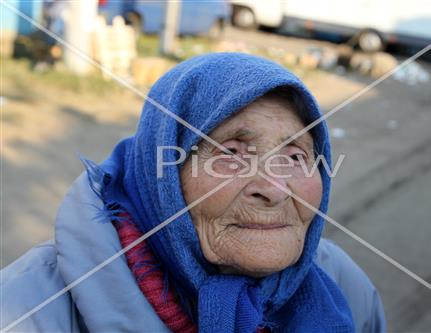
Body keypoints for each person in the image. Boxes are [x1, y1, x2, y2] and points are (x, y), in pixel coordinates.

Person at [1, 53, 385, 332]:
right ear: (161, 179)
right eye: (232, 153)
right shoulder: (27, 309)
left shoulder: (345, 286)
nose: (274, 188)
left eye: (296, 155)